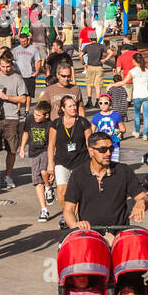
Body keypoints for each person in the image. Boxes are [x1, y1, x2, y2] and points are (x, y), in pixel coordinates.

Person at [63, 130, 148, 232]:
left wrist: (141, 202)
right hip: (90, 235)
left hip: (119, 235)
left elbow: (143, 197)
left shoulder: (123, 171)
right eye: (103, 149)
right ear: (91, 151)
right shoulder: (78, 174)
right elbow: (68, 210)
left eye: (111, 149)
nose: (108, 153)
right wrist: (76, 226)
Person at [0, 50, 29, 190]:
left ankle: (8, 176)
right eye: (2, 66)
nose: (5, 69)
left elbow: (23, 98)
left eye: (8, 66)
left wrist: (7, 97)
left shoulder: (17, 78)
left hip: (12, 117)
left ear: (12, 64)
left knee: (12, 149)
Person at [51, 95, 91, 229]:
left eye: (74, 105)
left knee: (76, 191)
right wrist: (50, 163)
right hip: (61, 160)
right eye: (70, 106)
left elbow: (90, 143)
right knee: (62, 191)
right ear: (63, 108)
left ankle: (73, 220)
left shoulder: (83, 122)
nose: (74, 108)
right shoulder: (56, 123)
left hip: (80, 161)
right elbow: (51, 145)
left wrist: (93, 161)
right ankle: (67, 214)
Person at [19, 99, 55, 221]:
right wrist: (22, 148)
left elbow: (52, 143)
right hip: (33, 152)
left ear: (46, 116)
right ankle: (44, 210)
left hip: (45, 150)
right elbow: (25, 133)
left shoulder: (50, 124)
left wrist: (53, 159)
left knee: (44, 171)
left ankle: (48, 187)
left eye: (38, 115)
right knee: (37, 181)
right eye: (35, 114)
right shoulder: (29, 119)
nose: (35, 117)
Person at [90, 94, 124, 163]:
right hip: (101, 144)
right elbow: (91, 132)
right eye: (100, 103)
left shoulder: (116, 115)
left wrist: (120, 133)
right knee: (103, 163)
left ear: (110, 103)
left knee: (114, 163)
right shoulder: (96, 117)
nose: (103, 105)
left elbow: (123, 128)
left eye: (106, 103)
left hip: (114, 144)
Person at [127, 53, 148, 140]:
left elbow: (124, 81)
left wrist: (114, 84)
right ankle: (145, 134)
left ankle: (137, 132)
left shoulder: (133, 71)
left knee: (137, 115)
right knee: (146, 116)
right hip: (147, 95)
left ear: (135, 61)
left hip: (137, 96)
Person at [12, 31, 45, 99]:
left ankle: (27, 109)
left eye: (25, 41)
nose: (23, 43)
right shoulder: (15, 50)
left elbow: (38, 60)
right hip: (19, 75)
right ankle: (18, 109)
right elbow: (11, 61)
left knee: (29, 94)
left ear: (28, 40)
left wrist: (37, 72)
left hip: (30, 75)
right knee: (18, 93)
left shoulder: (34, 49)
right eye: (22, 41)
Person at [81, 35, 106, 101]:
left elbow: (80, 55)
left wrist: (83, 62)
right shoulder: (101, 46)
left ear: (90, 39)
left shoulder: (87, 46)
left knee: (89, 84)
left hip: (90, 67)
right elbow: (111, 52)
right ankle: (98, 100)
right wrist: (105, 59)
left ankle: (89, 100)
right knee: (98, 86)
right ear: (96, 39)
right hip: (99, 67)